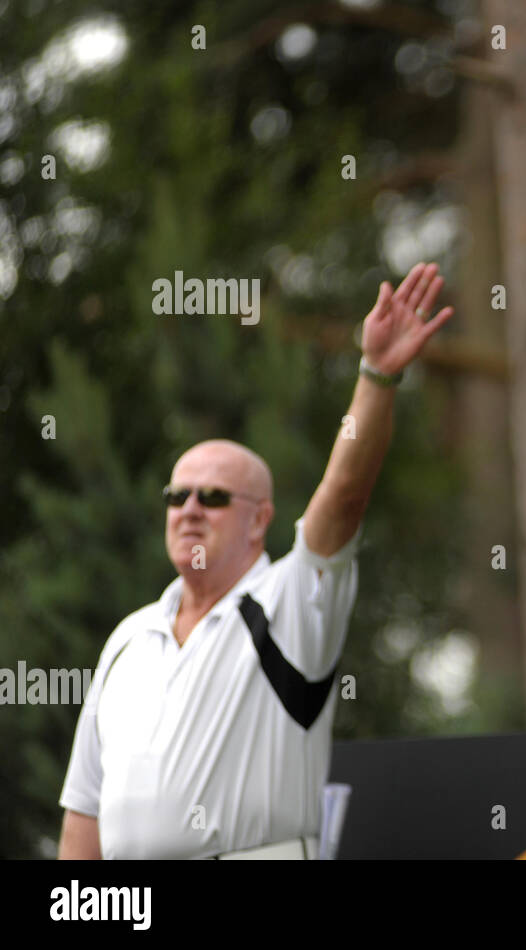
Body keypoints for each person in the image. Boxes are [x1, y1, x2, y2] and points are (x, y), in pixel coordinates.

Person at [56, 262, 453, 859]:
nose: (190, 508)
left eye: (213, 497)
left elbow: (343, 499)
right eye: (177, 495)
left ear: (259, 519)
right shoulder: (128, 639)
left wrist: (375, 377)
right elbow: (83, 819)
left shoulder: (289, 603)